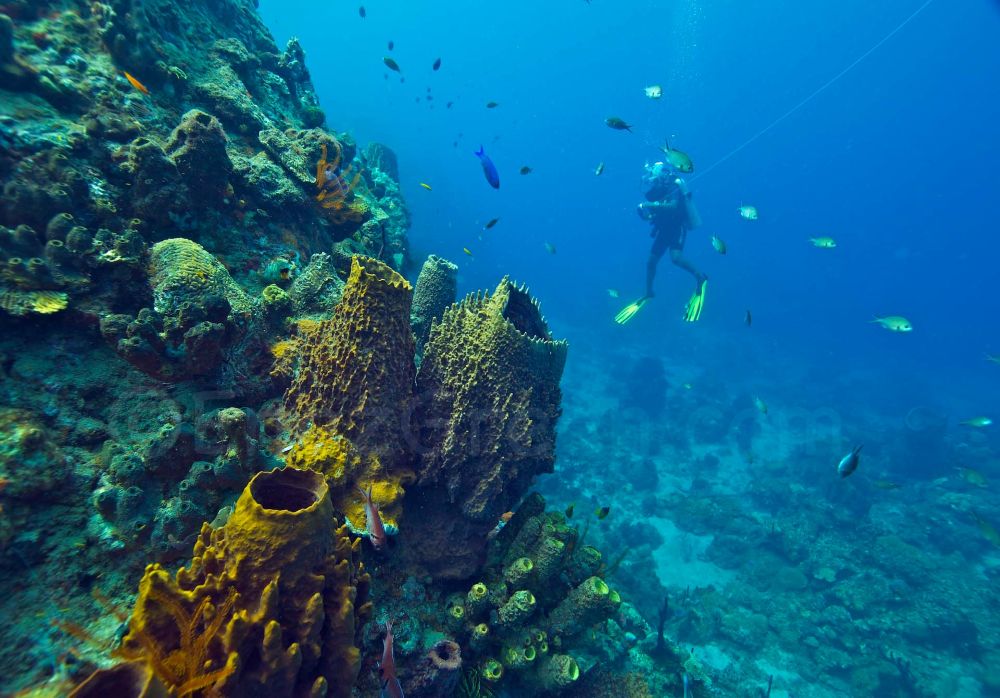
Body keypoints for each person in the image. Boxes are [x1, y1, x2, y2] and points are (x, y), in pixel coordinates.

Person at [615, 161, 708, 324]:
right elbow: (651, 215)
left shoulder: (673, 186)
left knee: (676, 258)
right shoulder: (655, 192)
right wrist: (643, 213)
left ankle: (701, 277)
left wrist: (648, 205)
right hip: (662, 230)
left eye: (653, 178)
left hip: (676, 228)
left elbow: (673, 206)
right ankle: (649, 292)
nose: (651, 181)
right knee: (650, 262)